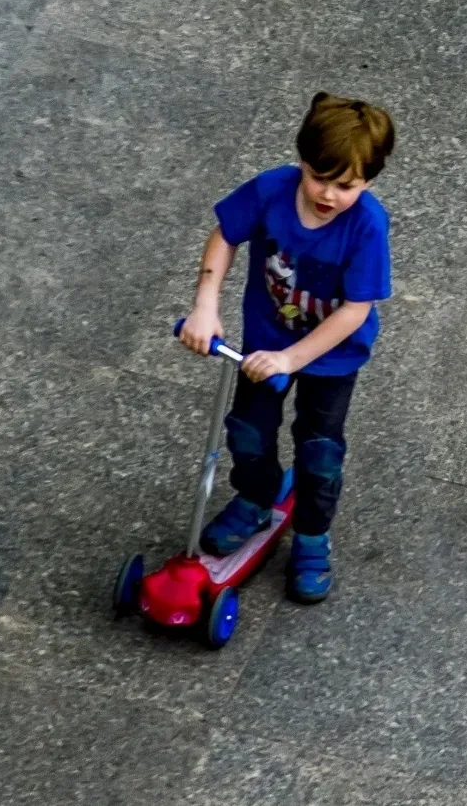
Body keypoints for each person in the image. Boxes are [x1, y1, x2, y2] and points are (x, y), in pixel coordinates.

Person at [178, 92, 395, 603]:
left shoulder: (367, 225)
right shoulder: (273, 190)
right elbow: (225, 235)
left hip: (330, 355)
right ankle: (254, 499)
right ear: (302, 160)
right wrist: (206, 304)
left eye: (348, 186)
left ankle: (314, 534)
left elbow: (355, 310)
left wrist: (292, 359)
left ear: (367, 182)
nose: (329, 194)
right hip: (265, 339)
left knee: (319, 450)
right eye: (320, 178)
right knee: (247, 433)